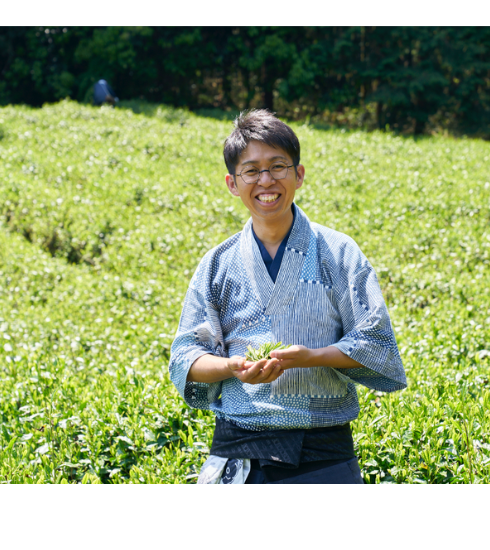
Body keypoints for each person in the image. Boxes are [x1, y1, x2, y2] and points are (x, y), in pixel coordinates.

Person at [168, 109, 407, 484]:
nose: (266, 180)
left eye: (278, 166)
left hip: (324, 457)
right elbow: (186, 357)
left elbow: (375, 342)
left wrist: (310, 357)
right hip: (239, 455)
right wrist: (233, 367)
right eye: (251, 171)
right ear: (233, 183)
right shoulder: (217, 263)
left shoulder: (338, 253)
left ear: (299, 174)